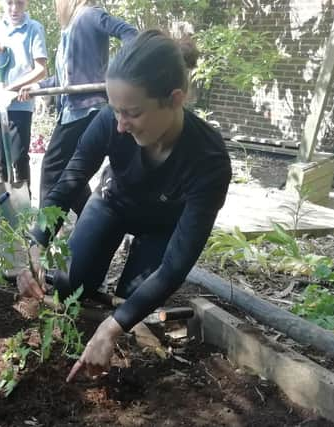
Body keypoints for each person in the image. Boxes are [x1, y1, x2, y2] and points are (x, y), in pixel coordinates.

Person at [16, 30, 232, 382]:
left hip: (163, 227)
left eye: (132, 113)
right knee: (72, 286)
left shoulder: (208, 159)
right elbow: (70, 180)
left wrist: (110, 330)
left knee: (132, 304)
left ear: (175, 99)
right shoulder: (109, 122)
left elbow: (177, 263)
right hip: (113, 203)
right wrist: (36, 242)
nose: (120, 124)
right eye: (115, 110)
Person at [18, 0, 137, 216]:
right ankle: (91, 221)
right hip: (72, 111)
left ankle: (45, 234)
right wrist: (36, 86)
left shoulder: (89, 15)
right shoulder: (70, 27)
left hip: (86, 110)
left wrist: (115, 72)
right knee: (72, 174)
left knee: (52, 169)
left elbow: (131, 34)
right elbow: (65, 79)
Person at [0, 0, 47, 184]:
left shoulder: (33, 28)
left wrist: (10, 89)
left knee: (19, 158)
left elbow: (41, 70)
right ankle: (6, 204)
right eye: (9, 3)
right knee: (0, 159)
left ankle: (24, 206)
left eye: (19, 3)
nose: (14, 9)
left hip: (20, 104)